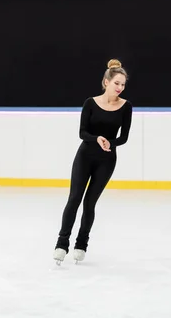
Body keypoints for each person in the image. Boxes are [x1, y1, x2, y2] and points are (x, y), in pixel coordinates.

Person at [54, 59, 132, 265]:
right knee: (74, 199)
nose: (120, 88)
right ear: (106, 82)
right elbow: (82, 132)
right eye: (117, 83)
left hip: (106, 160)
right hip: (85, 156)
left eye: (123, 85)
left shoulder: (126, 107)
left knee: (90, 204)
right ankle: (62, 244)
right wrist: (96, 138)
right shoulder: (90, 103)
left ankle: (81, 245)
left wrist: (110, 143)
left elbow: (124, 137)